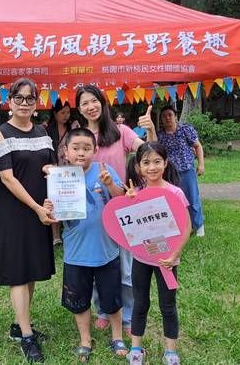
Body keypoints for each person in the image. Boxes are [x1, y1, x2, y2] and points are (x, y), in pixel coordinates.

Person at [76, 85, 156, 334]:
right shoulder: (78, 136)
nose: (90, 106)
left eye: (94, 101)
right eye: (84, 103)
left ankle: (129, 313)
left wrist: (151, 128)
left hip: (123, 208)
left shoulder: (121, 132)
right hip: (92, 212)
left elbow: (149, 153)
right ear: (79, 109)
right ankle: (103, 309)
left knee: (126, 266)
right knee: (98, 263)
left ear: (103, 102)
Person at [43, 128, 128, 362]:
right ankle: (84, 339)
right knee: (79, 300)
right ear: (66, 151)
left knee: (112, 299)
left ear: (96, 150)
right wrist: (49, 207)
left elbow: (122, 200)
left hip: (107, 250)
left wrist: (110, 184)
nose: (81, 153)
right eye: (76, 148)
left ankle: (117, 336)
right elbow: (53, 214)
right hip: (76, 253)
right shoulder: (60, 177)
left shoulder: (104, 170)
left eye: (87, 148)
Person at [0, 78, 57, 363]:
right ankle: (27, 337)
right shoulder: (0, 134)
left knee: (31, 270)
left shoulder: (43, 131)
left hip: (41, 210)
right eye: (20, 98)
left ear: (36, 102)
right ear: (10, 100)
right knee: (18, 271)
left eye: (31, 99)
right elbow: (7, 177)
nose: (25, 103)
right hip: (16, 212)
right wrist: (35, 208)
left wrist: (51, 169)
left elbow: (51, 164)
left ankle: (21, 325)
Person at [125, 142, 191, 365]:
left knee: (168, 305)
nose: (151, 167)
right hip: (141, 259)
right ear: (138, 167)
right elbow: (130, 229)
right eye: (146, 163)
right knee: (140, 303)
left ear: (165, 163)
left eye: (156, 162)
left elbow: (186, 227)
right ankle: (136, 349)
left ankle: (171, 352)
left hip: (168, 260)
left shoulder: (175, 193)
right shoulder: (137, 195)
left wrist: (174, 256)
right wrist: (130, 203)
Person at [157, 105, 205, 236]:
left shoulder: (185, 129)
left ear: (175, 116)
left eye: (170, 115)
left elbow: (198, 146)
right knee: (174, 200)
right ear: (161, 119)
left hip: (187, 169)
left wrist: (201, 164)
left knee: (192, 198)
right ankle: (181, 226)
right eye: (164, 116)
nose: (167, 118)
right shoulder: (159, 135)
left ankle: (199, 225)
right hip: (169, 173)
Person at [45, 99, 75, 246]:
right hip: (55, 169)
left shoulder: (73, 128)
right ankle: (55, 236)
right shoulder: (47, 129)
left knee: (70, 200)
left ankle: (69, 230)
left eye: (68, 112)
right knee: (54, 201)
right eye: (62, 113)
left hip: (71, 170)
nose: (66, 116)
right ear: (55, 114)